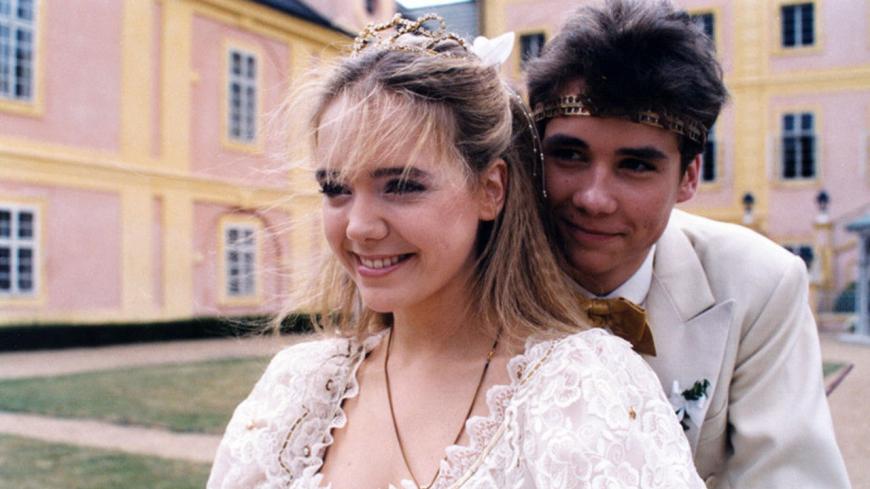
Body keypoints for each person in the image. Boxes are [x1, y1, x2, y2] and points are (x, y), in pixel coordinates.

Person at [208, 14, 704, 489]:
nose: (359, 226)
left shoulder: (580, 391)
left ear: (491, 189)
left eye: (401, 185)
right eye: (336, 189)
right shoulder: (298, 390)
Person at [525, 1, 851, 488]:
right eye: (570, 155)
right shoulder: (473, 271)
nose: (594, 198)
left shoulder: (759, 285)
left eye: (636, 165)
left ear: (689, 178)